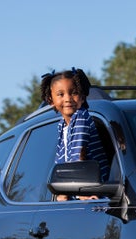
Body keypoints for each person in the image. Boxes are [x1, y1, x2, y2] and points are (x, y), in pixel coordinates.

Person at [40, 68, 109, 200]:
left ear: (82, 97)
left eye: (74, 93)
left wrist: (74, 191)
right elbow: (60, 160)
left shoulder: (81, 116)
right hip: (78, 189)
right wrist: (62, 189)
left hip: (93, 191)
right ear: (51, 100)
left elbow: (79, 154)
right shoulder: (62, 125)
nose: (68, 99)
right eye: (61, 94)